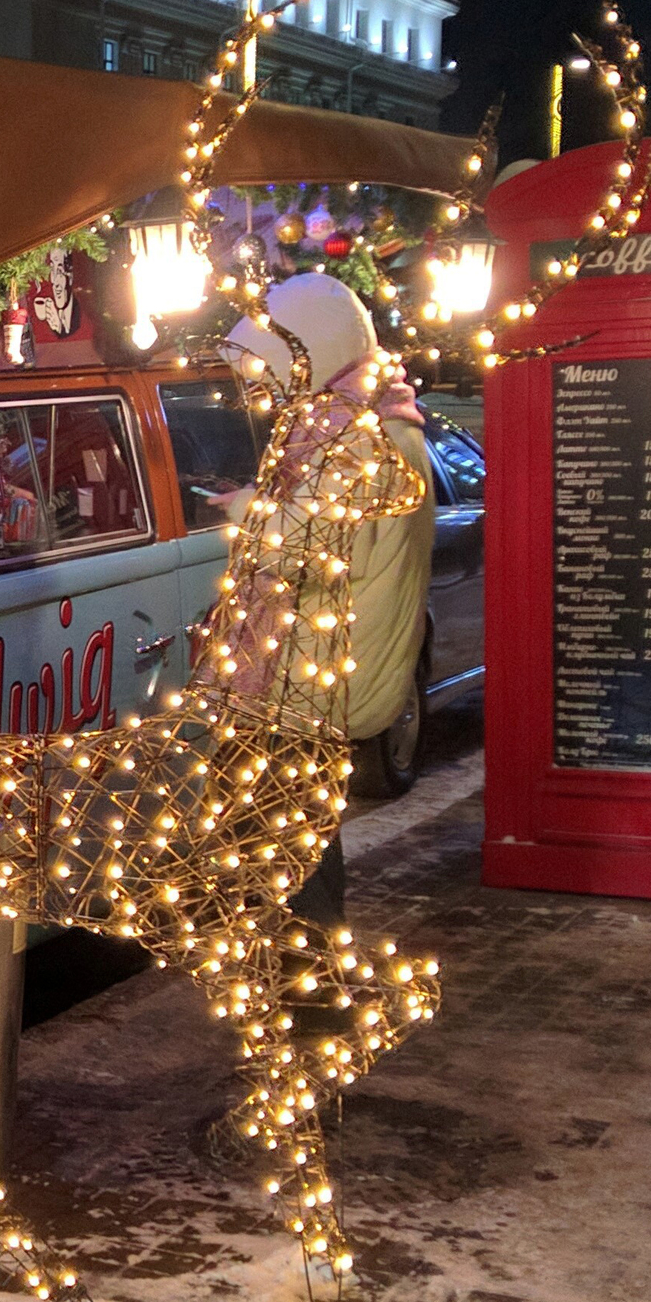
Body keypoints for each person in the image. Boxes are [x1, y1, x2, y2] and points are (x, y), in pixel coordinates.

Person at [219, 272, 435, 930]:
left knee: (291, 852)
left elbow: (302, 549)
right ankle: (296, 994)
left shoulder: (363, 443)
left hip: (316, 682)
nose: (265, 384)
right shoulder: (359, 429)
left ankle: (307, 1003)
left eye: (272, 365)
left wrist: (247, 510)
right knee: (288, 841)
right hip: (310, 675)